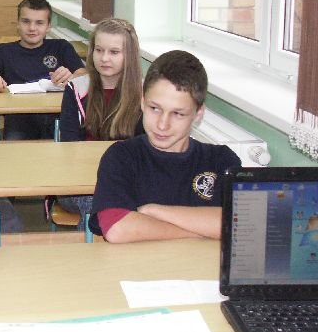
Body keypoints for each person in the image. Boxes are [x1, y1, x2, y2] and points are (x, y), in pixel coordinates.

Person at [89, 50, 241, 243]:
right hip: (138, 263)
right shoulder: (121, 156)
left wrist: (156, 211)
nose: (162, 125)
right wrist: (204, 231)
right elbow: (117, 229)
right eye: (155, 108)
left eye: (178, 114)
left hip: (199, 263)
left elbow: (238, 223)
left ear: (198, 114)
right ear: (142, 102)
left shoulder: (221, 160)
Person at [54, 18, 144, 229]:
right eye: (99, 50)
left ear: (129, 55)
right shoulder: (76, 89)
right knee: (95, 201)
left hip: (125, 180)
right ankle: (94, 248)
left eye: (114, 52)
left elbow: (144, 149)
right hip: (80, 183)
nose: (104, 58)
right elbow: (69, 146)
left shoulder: (144, 93)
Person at [0, 0, 86, 140]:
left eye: (39, 23)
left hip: (59, 116)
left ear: (48, 26)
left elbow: (84, 75)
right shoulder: (3, 51)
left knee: (68, 146)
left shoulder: (61, 47)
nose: (32, 28)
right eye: (26, 21)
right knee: (16, 150)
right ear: (18, 23)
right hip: (18, 119)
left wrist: (72, 77)